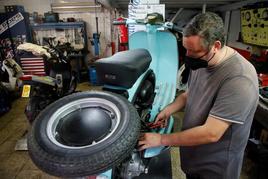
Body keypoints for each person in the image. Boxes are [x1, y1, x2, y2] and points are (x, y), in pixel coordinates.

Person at [138, 12, 259, 179]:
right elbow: (190, 94)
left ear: (216, 46)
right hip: (194, 157)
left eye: (193, 51)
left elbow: (211, 133)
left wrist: (161, 139)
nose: (188, 56)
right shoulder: (202, 61)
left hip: (215, 168)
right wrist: (168, 110)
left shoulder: (239, 79)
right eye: (185, 49)